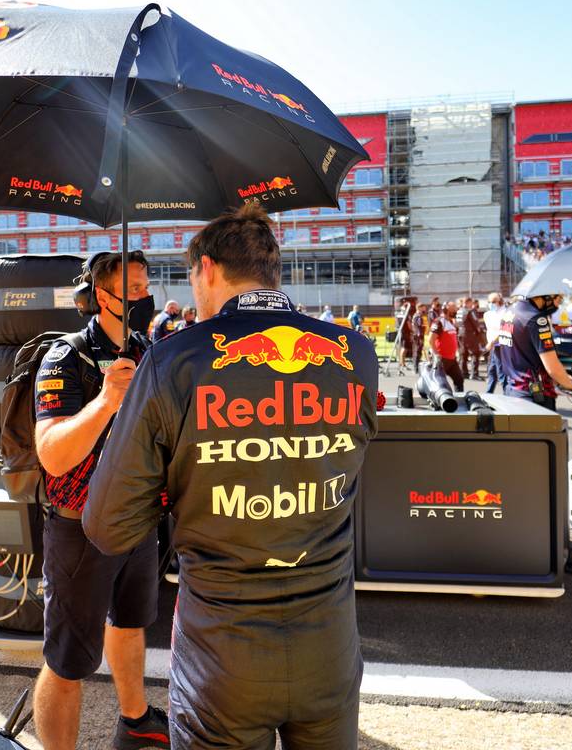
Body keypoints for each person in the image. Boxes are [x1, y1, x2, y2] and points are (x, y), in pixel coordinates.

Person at [84, 204, 379, 749]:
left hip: (219, 658)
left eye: (192, 277)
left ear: (209, 270)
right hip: (331, 648)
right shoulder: (355, 353)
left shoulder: (173, 360)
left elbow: (107, 525)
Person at [31, 250, 167, 750]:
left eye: (145, 285)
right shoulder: (66, 357)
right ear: (98, 295)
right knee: (68, 661)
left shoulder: (146, 347)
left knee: (131, 623)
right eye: (129, 288)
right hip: (80, 524)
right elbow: (52, 455)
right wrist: (106, 400)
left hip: (138, 517)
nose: (141, 295)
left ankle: (135, 720)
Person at [496, 293, 572, 410]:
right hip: (533, 396)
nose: (558, 304)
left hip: (513, 389)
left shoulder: (511, 311)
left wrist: (564, 377)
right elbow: (553, 368)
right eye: (559, 299)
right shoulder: (535, 318)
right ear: (546, 296)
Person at [429, 301, 465, 390]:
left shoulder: (452, 322)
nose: (455, 312)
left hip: (452, 359)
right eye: (453, 310)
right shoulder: (439, 322)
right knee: (440, 384)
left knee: (459, 379)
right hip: (442, 359)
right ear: (446, 310)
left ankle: (459, 399)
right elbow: (431, 339)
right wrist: (436, 354)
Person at [484, 292, 507, 394]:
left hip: (501, 346)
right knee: (492, 372)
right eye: (489, 302)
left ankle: (507, 396)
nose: (491, 304)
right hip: (493, 347)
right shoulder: (488, 314)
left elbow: (503, 330)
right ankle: (488, 394)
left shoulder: (505, 313)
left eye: (493, 302)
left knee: (501, 373)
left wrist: (492, 342)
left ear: (500, 301)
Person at [458, 297, 484, 380]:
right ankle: (474, 374)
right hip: (469, 334)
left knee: (463, 354)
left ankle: (463, 372)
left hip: (461, 334)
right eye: (471, 303)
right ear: (468, 302)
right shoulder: (469, 311)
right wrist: (479, 331)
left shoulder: (459, 311)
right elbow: (475, 322)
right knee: (475, 353)